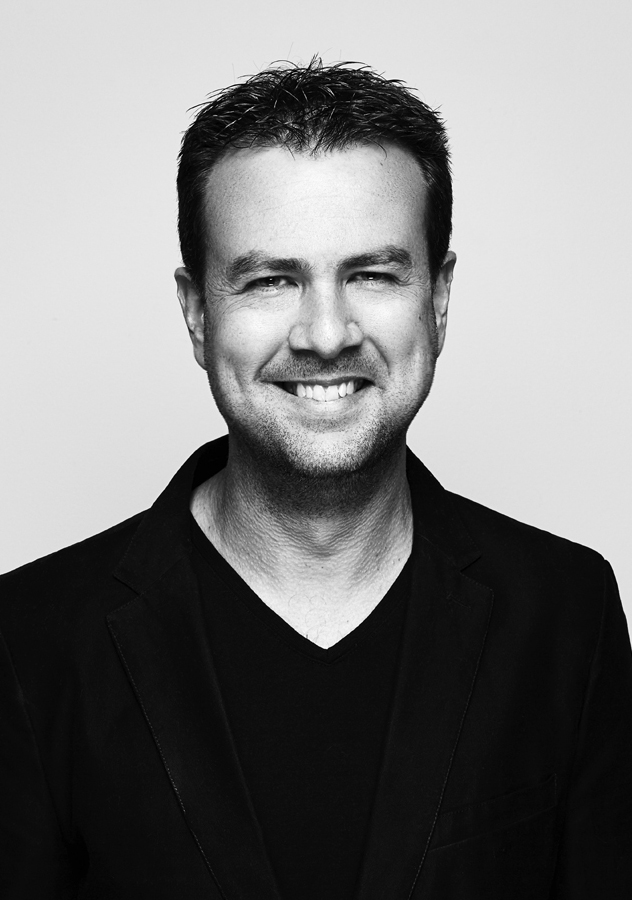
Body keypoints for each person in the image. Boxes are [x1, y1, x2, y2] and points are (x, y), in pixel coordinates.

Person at [1, 58, 631, 900]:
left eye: (372, 274)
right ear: (197, 312)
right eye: (271, 279)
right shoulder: (29, 640)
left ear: (440, 297)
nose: (326, 334)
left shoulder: (567, 614)